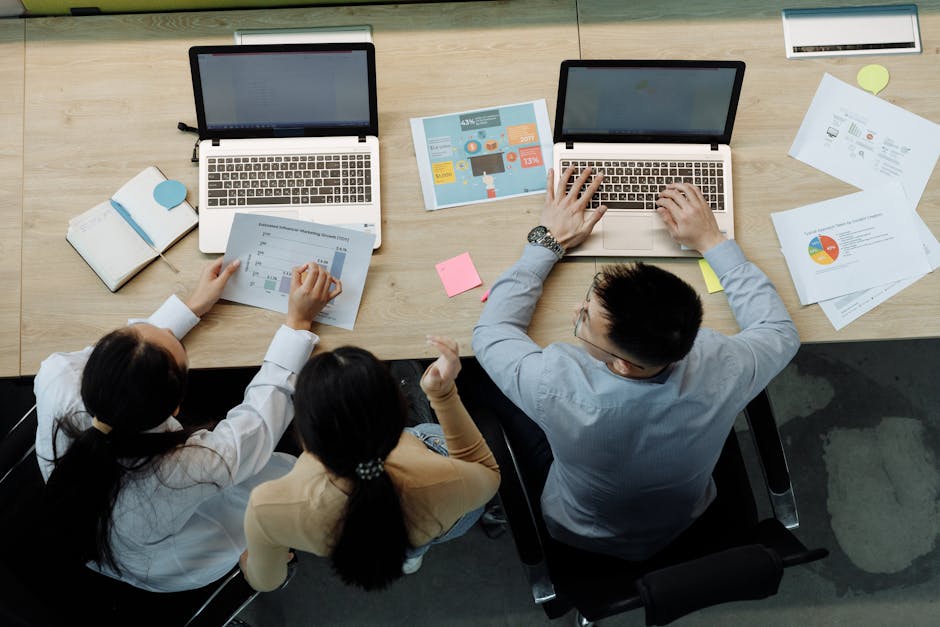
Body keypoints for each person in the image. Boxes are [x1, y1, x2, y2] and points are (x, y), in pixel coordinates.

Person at [472, 165, 800, 561]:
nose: (577, 309)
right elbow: (780, 331)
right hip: (688, 519)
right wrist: (713, 241)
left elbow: (491, 332)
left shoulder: (555, 385)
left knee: (474, 383)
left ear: (625, 365)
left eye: (583, 320)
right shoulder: (723, 367)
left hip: (578, 531)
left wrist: (547, 242)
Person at [34, 258, 341, 592]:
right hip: (158, 558)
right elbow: (257, 425)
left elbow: (129, 355)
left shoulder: (57, 375)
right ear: (179, 407)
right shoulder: (187, 469)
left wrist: (193, 305)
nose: (164, 329)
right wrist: (298, 323)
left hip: (85, 525)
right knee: (280, 481)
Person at [240, 335, 500, 592]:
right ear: (399, 415)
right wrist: (442, 394)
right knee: (418, 531)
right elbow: (487, 474)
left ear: (304, 435)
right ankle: (410, 554)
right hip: (437, 514)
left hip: (344, 535)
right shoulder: (448, 479)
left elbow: (268, 581)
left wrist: (254, 560)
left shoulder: (268, 508)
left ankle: (407, 555)